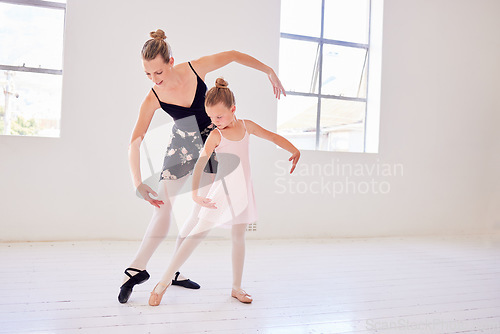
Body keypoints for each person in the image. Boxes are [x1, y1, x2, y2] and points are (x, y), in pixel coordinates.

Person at [118, 29, 286, 303]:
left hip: (211, 147)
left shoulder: (196, 69)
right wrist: (137, 182)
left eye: (158, 73)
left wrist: (268, 70)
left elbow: (232, 55)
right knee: (162, 209)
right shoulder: (153, 97)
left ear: (171, 61)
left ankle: (174, 271)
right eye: (148, 75)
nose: (154, 80)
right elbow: (134, 142)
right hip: (180, 148)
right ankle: (135, 269)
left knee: (198, 215)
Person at [148, 77, 300, 306]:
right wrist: (195, 195)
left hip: (243, 193)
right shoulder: (216, 135)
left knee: (239, 237)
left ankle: (237, 288)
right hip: (221, 193)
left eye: (219, 116)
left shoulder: (247, 126)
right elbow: (199, 165)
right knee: (196, 235)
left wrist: (294, 149)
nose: (214, 121)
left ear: (233, 109)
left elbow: (272, 136)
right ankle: (163, 282)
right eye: (210, 117)